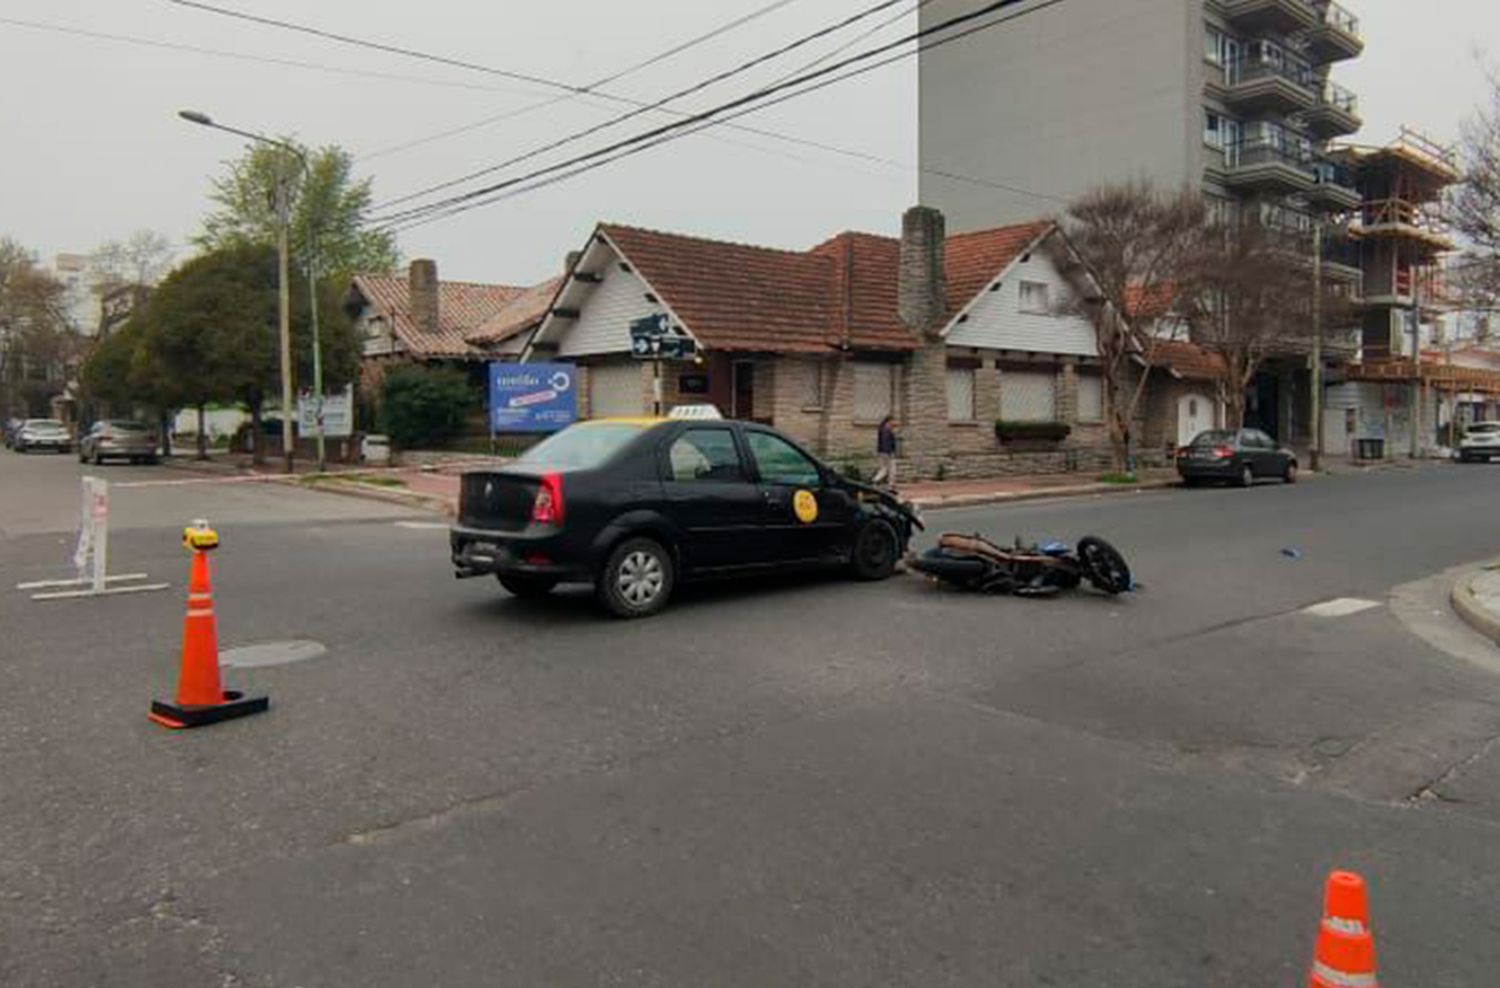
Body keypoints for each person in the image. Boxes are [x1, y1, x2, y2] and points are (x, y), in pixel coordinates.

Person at [872, 414, 899, 489]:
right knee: (892, 468)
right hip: (887, 452)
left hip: (882, 452)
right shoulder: (886, 430)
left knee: (884, 468)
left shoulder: (883, 429)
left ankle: (875, 480)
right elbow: (886, 442)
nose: (894, 422)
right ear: (889, 421)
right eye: (893, 421)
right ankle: (891, 484)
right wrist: (889, 452)